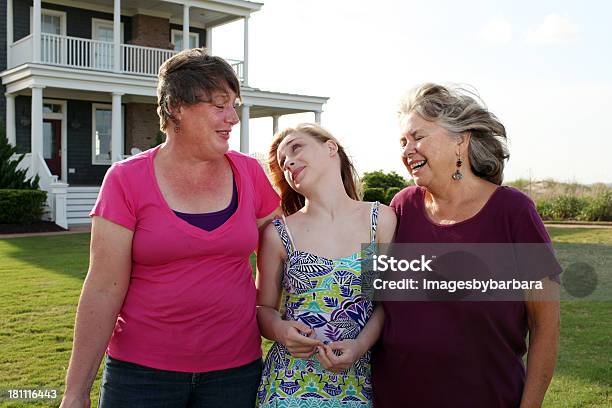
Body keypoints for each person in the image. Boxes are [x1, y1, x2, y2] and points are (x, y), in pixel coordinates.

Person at [60, 48, 280, 408]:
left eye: (234, 104)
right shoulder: (125, 180)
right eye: (220, 105)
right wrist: (76, 391)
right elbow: (102, 289)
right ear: (177, 107)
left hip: (234, 374)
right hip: (141, 377)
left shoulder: (250, 173)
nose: (234, 118)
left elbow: (289, 252)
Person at [372, 83, 561, 407]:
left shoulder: (514, 211)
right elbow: (372, 294)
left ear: (461, 140)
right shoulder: (401, 206)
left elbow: (545, 325)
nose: (407, 150)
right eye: (403, 142)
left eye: (418, 137)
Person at [256, 123, 397, 407]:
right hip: (289, 387)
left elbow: (382, 304)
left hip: (356, 384)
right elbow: (264, 309)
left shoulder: (378, 221)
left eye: (296, 148)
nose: (289, 163)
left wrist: (359, 347)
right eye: (283, 163)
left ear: (331, 148)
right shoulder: (279, 233)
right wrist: (281, 331)